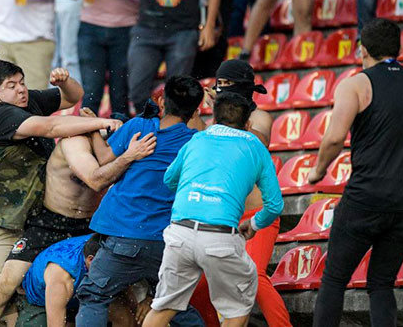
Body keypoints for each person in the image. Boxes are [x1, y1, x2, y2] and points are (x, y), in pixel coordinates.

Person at [307, 19, 403, 326]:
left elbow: (334, 138)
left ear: (363, 49)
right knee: (381, 284)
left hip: (367, 195)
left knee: (334, 280)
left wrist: (318, 171)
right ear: (398, 49)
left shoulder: (356, 84)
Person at [0, 60, 121, 324]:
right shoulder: (0, 114)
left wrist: (64, 82)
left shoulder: (28, 102)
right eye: (11, 86)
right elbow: (51, 128)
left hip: (37, 215)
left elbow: (73, 96)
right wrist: (100, 122)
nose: (21, 90)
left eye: (22, 82)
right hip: (0, 223)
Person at [0, 108, 157, 326]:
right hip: (51, 222)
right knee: (4, 284)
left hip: (89, 226)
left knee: (118, 290)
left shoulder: (122, 151)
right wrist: (127, 156)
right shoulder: (75, 142)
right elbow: (96, 180)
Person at [141, 92, 284, 327]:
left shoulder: (197, 139)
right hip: (220, 236)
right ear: (247, 124)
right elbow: (275, 205)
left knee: (163, 308)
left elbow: (169, 179)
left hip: (179, 233)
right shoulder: (255, 146)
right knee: (237, 310)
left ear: (214, 119)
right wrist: (255, 224)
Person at [75, 75, 206, 327]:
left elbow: (103, 159)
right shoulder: (195, 142)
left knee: (93, 296)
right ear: (195, 111)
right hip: (166, 243)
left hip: (123, 238)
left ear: (161, 102)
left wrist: (93, 129)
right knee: (174, 306)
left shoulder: (140, 126)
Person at [189, 59, 290, 327]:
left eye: (226, 87)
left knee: (254, 275)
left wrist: (222, 112)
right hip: (223, 214)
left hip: (257, 213)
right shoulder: (212, 121)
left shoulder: (259, 117)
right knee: (198, 285)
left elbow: (258, 141)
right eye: (217, 86)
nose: (220, 91)